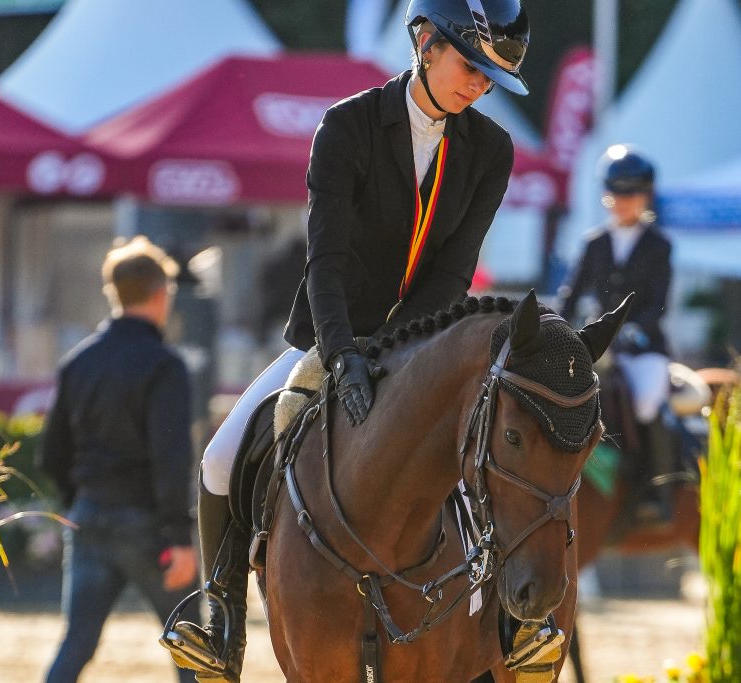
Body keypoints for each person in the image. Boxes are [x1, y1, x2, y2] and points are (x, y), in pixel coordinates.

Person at [160, 1, 531, 680]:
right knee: (219, 458)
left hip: (428, 343)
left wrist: (402, 351)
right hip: (329, 335)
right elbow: (324, 258)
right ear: (425, 41)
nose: (479, 85)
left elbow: (452, 268)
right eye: (470, 66)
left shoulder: (491, 151)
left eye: (491, 78)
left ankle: (517, 623)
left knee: (499, 449)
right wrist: (343, 352)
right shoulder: (347, 127)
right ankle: (219, 624)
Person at [38, 236, 200, 683]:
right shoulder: (165, 366)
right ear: (161, 292)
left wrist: (80, 501)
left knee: (77, 644)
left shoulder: (78, 362)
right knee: (193, 646)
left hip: (90, 517)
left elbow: (51, 453)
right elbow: (171, 459)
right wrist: (179, 538)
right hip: (149, 524)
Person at [557, 144, 676, 522]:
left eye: (632, 195)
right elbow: (571, 296)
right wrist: (556, 328)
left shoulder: (660, 245)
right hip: (599, 346)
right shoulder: (595, 243)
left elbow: (658, 304)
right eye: (617, 195)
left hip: (643, 348)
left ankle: (656, 489)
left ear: (645, 197)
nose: (623, 202)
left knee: (645, 402)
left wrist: (631, 333)